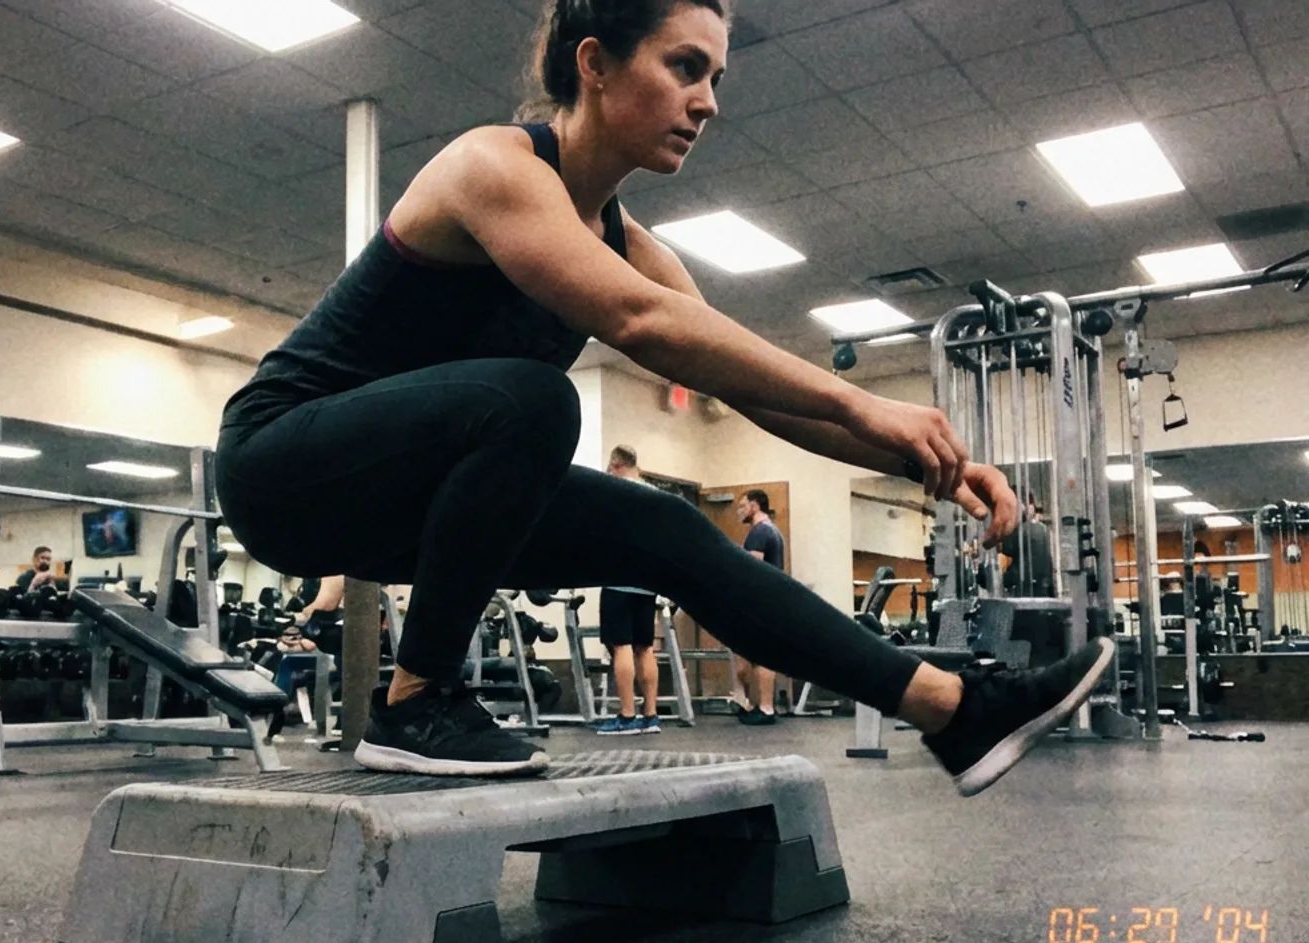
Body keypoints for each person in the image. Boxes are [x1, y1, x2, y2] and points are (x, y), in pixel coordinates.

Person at [213, 0, 1114, 795]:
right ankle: (417, 703)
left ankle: (953, 711)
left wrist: (927, 459)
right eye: (685, 67)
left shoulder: (633, 246)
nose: (708, 101)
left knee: (667, 529)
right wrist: (863, 403)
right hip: (280, 469)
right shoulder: (491, 166)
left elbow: (750, 389)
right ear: (595, 63)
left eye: (714, 77)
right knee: (532, 402)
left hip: (408, 493)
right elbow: (639, 321)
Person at [595, 445, 662, 736]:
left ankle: (627, 715)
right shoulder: (655, 496)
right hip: (647, 583)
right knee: (645, 647)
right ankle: (651, 715)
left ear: (616, 464)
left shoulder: (614, 492)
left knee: (620, 645)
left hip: (619, 579)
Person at [729, 489, 783, 725]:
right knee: (751, 655)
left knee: (762, 656)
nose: (739, 511)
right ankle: (748, 702)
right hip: (769, 601)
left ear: (754, 505)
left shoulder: (759, 532)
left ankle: (766, 708)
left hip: (760, 602)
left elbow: (751, 572)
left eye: (743, 506)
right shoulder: (772, 530)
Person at [1001, 492, 1053, 597]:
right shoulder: (1044, 529)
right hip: (1043, 586)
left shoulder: (1022, 531)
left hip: (1024, 585)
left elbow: (1005, 548)